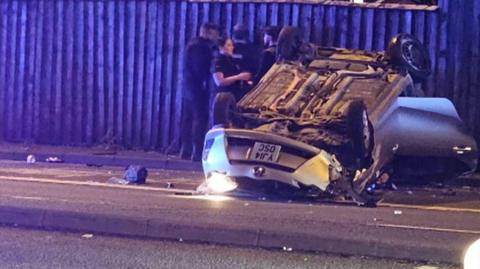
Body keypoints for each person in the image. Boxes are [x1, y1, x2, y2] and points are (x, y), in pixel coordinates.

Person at [178, 22, 220, 161]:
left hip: (189, 86)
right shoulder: (200, 47)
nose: (217, 36)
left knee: (188, 117)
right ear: (207, 32)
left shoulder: (192, 44)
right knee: (200, 118)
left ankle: (186, 149)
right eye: (215, 32)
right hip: (197, 87)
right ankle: (197, 151)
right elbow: (200, 68)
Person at [212, 37, 252, 102]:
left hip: (233, 98)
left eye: (232, 45)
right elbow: (220, 82)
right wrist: (239, 77)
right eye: (229, 45)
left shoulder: (232, 61)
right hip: (222, 100)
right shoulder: (218, 61)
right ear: (221, 47)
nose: (232, 48)